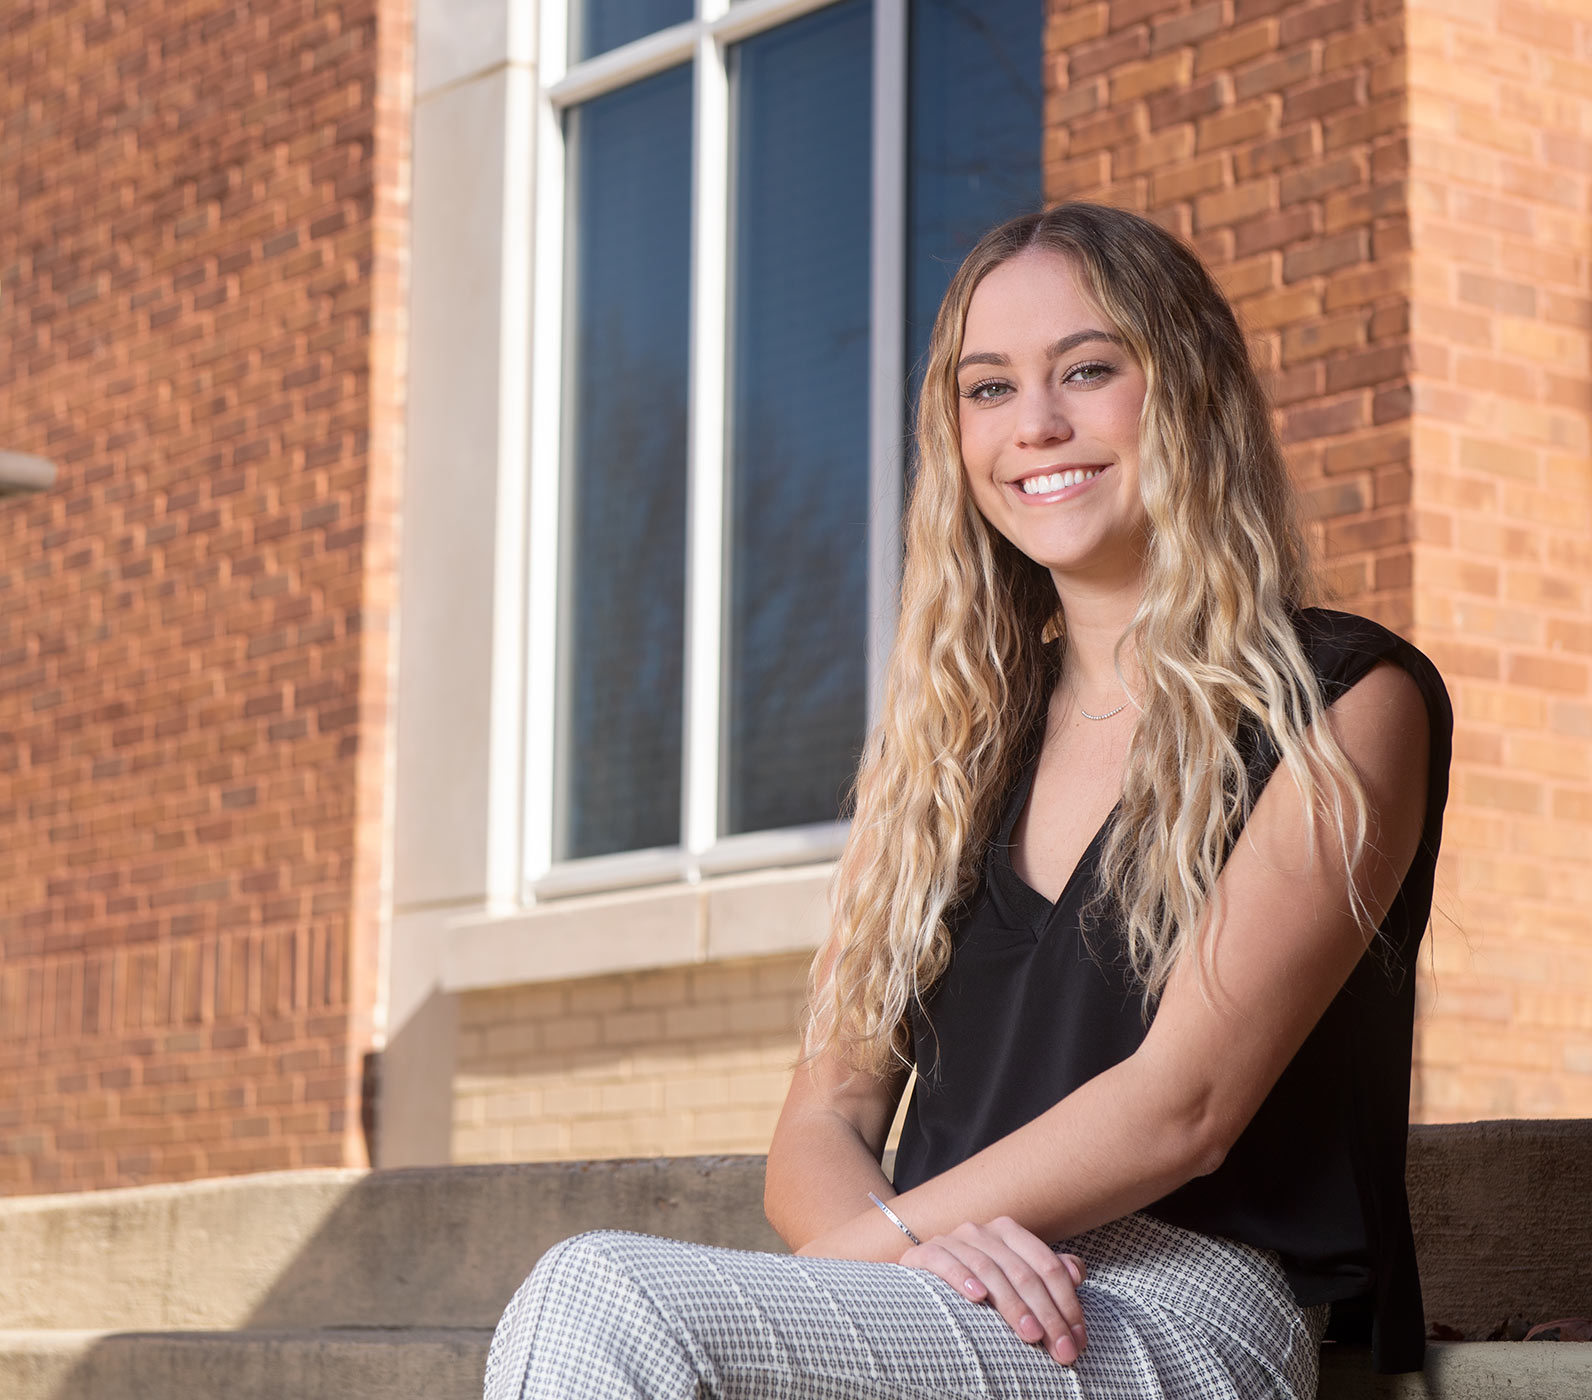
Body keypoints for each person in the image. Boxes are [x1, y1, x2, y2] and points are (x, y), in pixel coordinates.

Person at [484, 202, 1452, 1399]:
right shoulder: (954, 745)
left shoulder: (1347, 699)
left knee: (602, 1295)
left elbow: (1183, 1106)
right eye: (987, 388)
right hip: (944, 1287)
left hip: (1191, 1299)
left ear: (1189, 390)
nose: (1036, 424)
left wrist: (888, 1250)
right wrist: (918, 1251)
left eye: (1088, 370)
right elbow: (820, 1125)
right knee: (590, 1306)